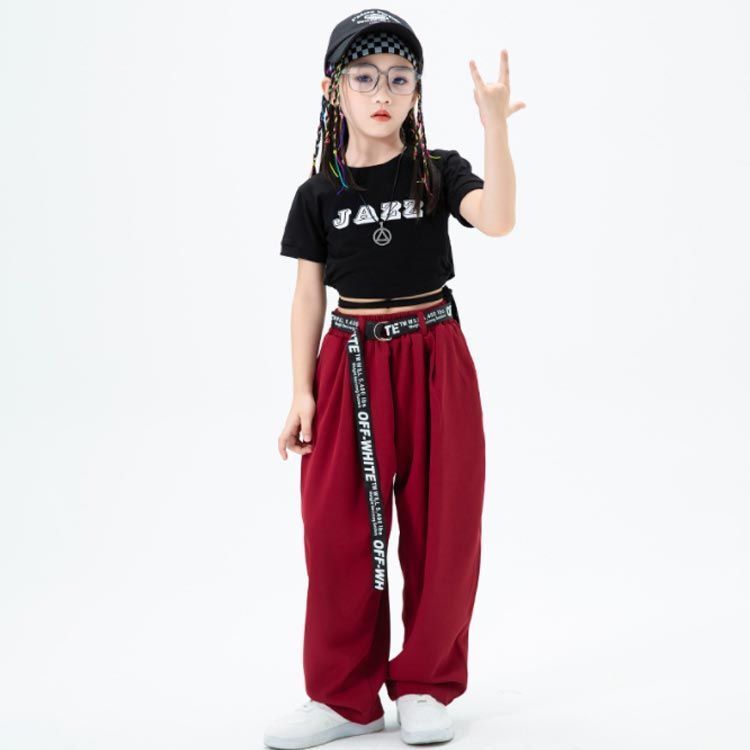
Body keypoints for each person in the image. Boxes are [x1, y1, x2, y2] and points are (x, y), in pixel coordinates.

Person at [266, 8, 522, 749]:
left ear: (417, 89)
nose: (383, 92)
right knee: (337, 531)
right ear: (333, 89)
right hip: (349, 359)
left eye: (400, 77)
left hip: (434, 353)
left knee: (445, 527)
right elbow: (307, 296)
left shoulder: (437, 171)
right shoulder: (318, 192)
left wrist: (495, 129)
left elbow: (498, 219)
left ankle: (425, 685)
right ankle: (344, 698)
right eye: (365, 76)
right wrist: (301, 390)